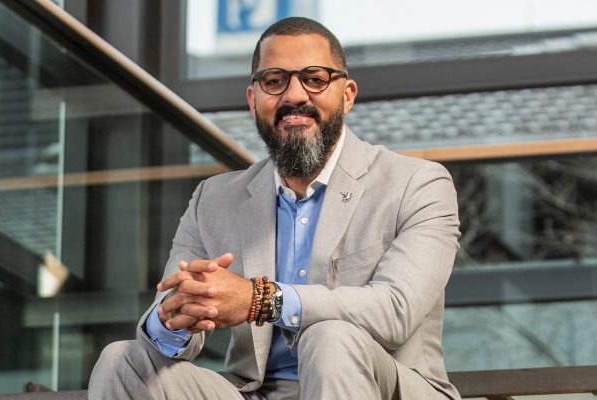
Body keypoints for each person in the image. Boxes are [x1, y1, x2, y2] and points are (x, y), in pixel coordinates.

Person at [89, 16, 461, 400]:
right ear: (254, 99)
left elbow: (395, 311)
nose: (294, 96)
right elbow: (168, 327)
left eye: (315, 79)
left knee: (330, 338)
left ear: (347, 95)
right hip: (252, 393)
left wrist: (260, 300)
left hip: (380, 389)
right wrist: (176, 315)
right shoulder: (212, 200)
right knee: (122, 361)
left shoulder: (417, 184)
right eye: (274, 81)